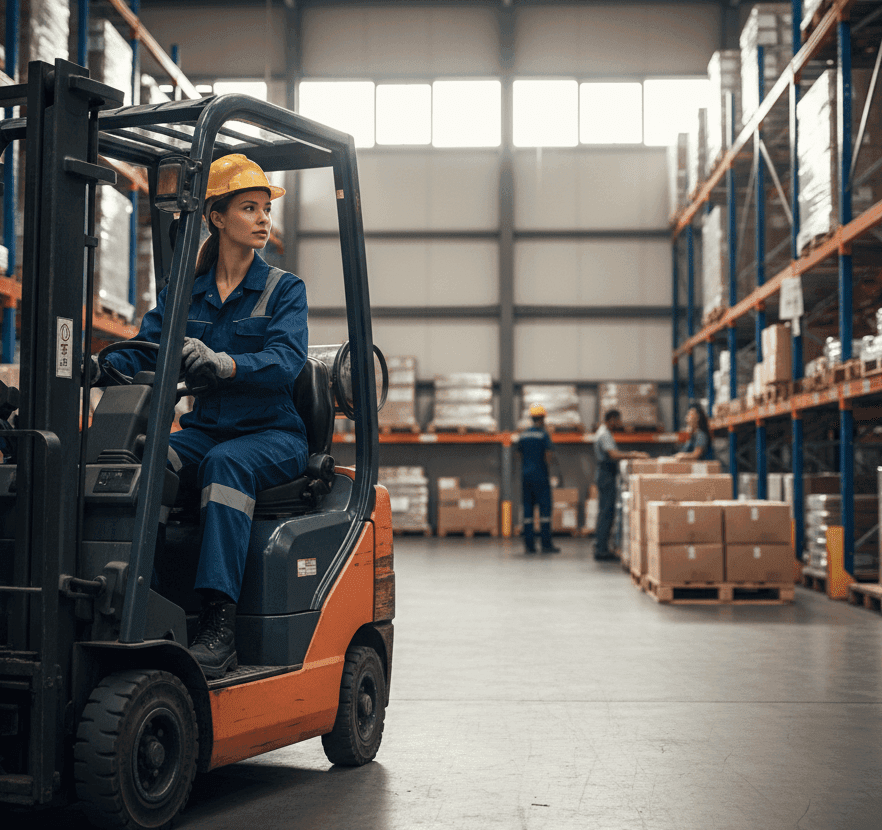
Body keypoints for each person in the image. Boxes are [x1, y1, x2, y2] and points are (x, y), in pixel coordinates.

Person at [92, 154, 308, 678]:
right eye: (249, 208)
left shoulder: (284, 289)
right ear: (216, 216)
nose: (263, 220)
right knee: (144, 459)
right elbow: (148, 345)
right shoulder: (187, 291)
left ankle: (219, 623)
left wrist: (227, 363)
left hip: (272, 435)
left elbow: (285, 362)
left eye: (264, 209)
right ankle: (148, 596)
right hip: (207, 431)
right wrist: (98, 364)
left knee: (225, 468)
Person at [593, 409, 649, 561]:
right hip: (606, 475)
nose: (620, 423)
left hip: (606, 474)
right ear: (612, 419)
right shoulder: (604, 434)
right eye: (618, 420)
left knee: (605, 511)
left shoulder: (603, 432)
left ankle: (601, 545)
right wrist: (634, 454)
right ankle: (601, 549)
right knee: (606, 512)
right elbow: (613, 454)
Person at [517, 403, 560, 554]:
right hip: (541, 477)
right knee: (545, 512)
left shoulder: (523, 435)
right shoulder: (543, 434)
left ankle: (529, 546)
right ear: (542, 419)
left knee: (528, 511)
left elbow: (519, 454)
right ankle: (546, 545)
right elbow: (548, 455)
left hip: (526, 477)